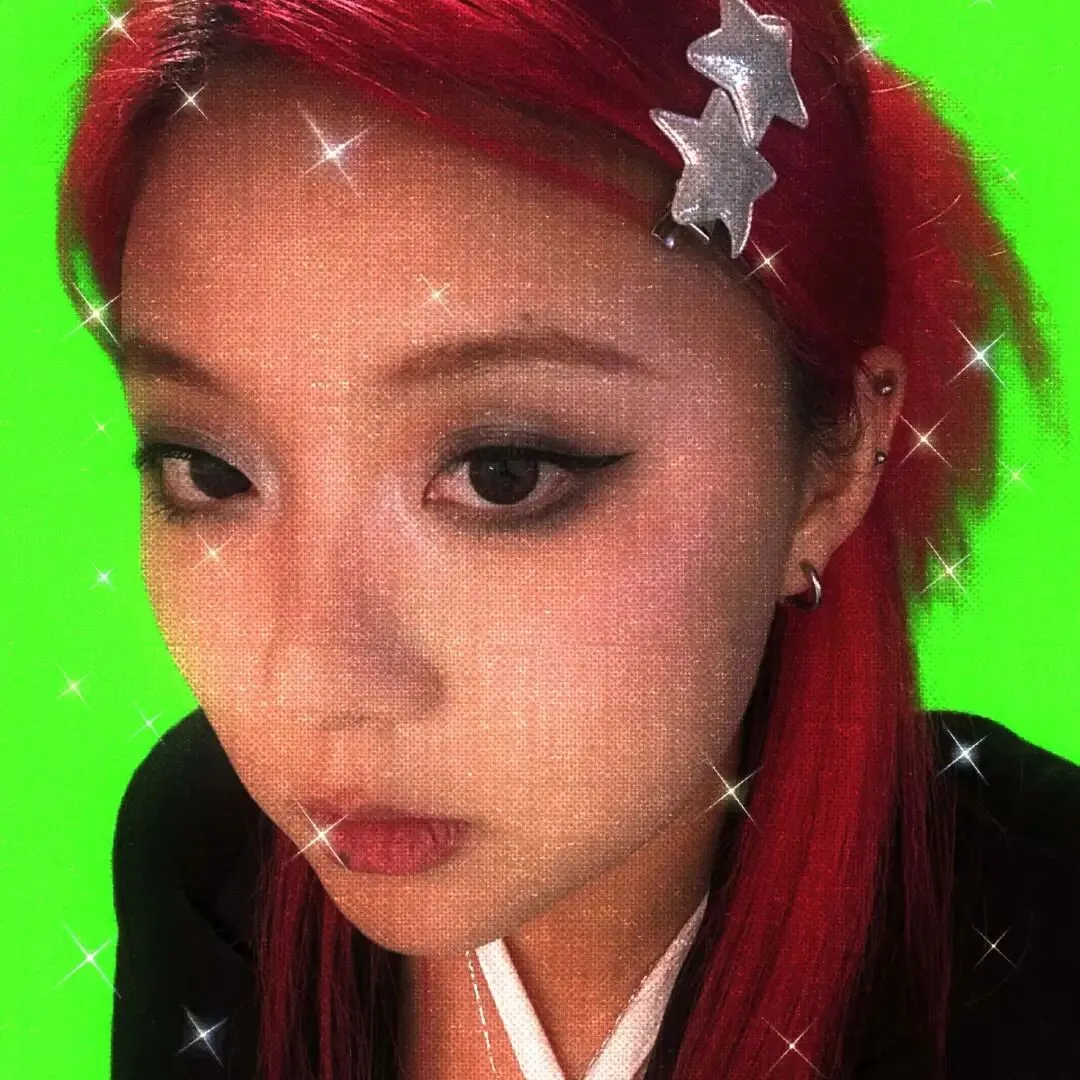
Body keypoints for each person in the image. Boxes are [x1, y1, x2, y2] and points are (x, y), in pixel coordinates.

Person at [55, 1, 1075, 1078]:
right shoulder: (211, 847)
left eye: (504, 472)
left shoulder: (1046, 951)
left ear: (832, 463)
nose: (312, 681)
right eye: (208, 470)